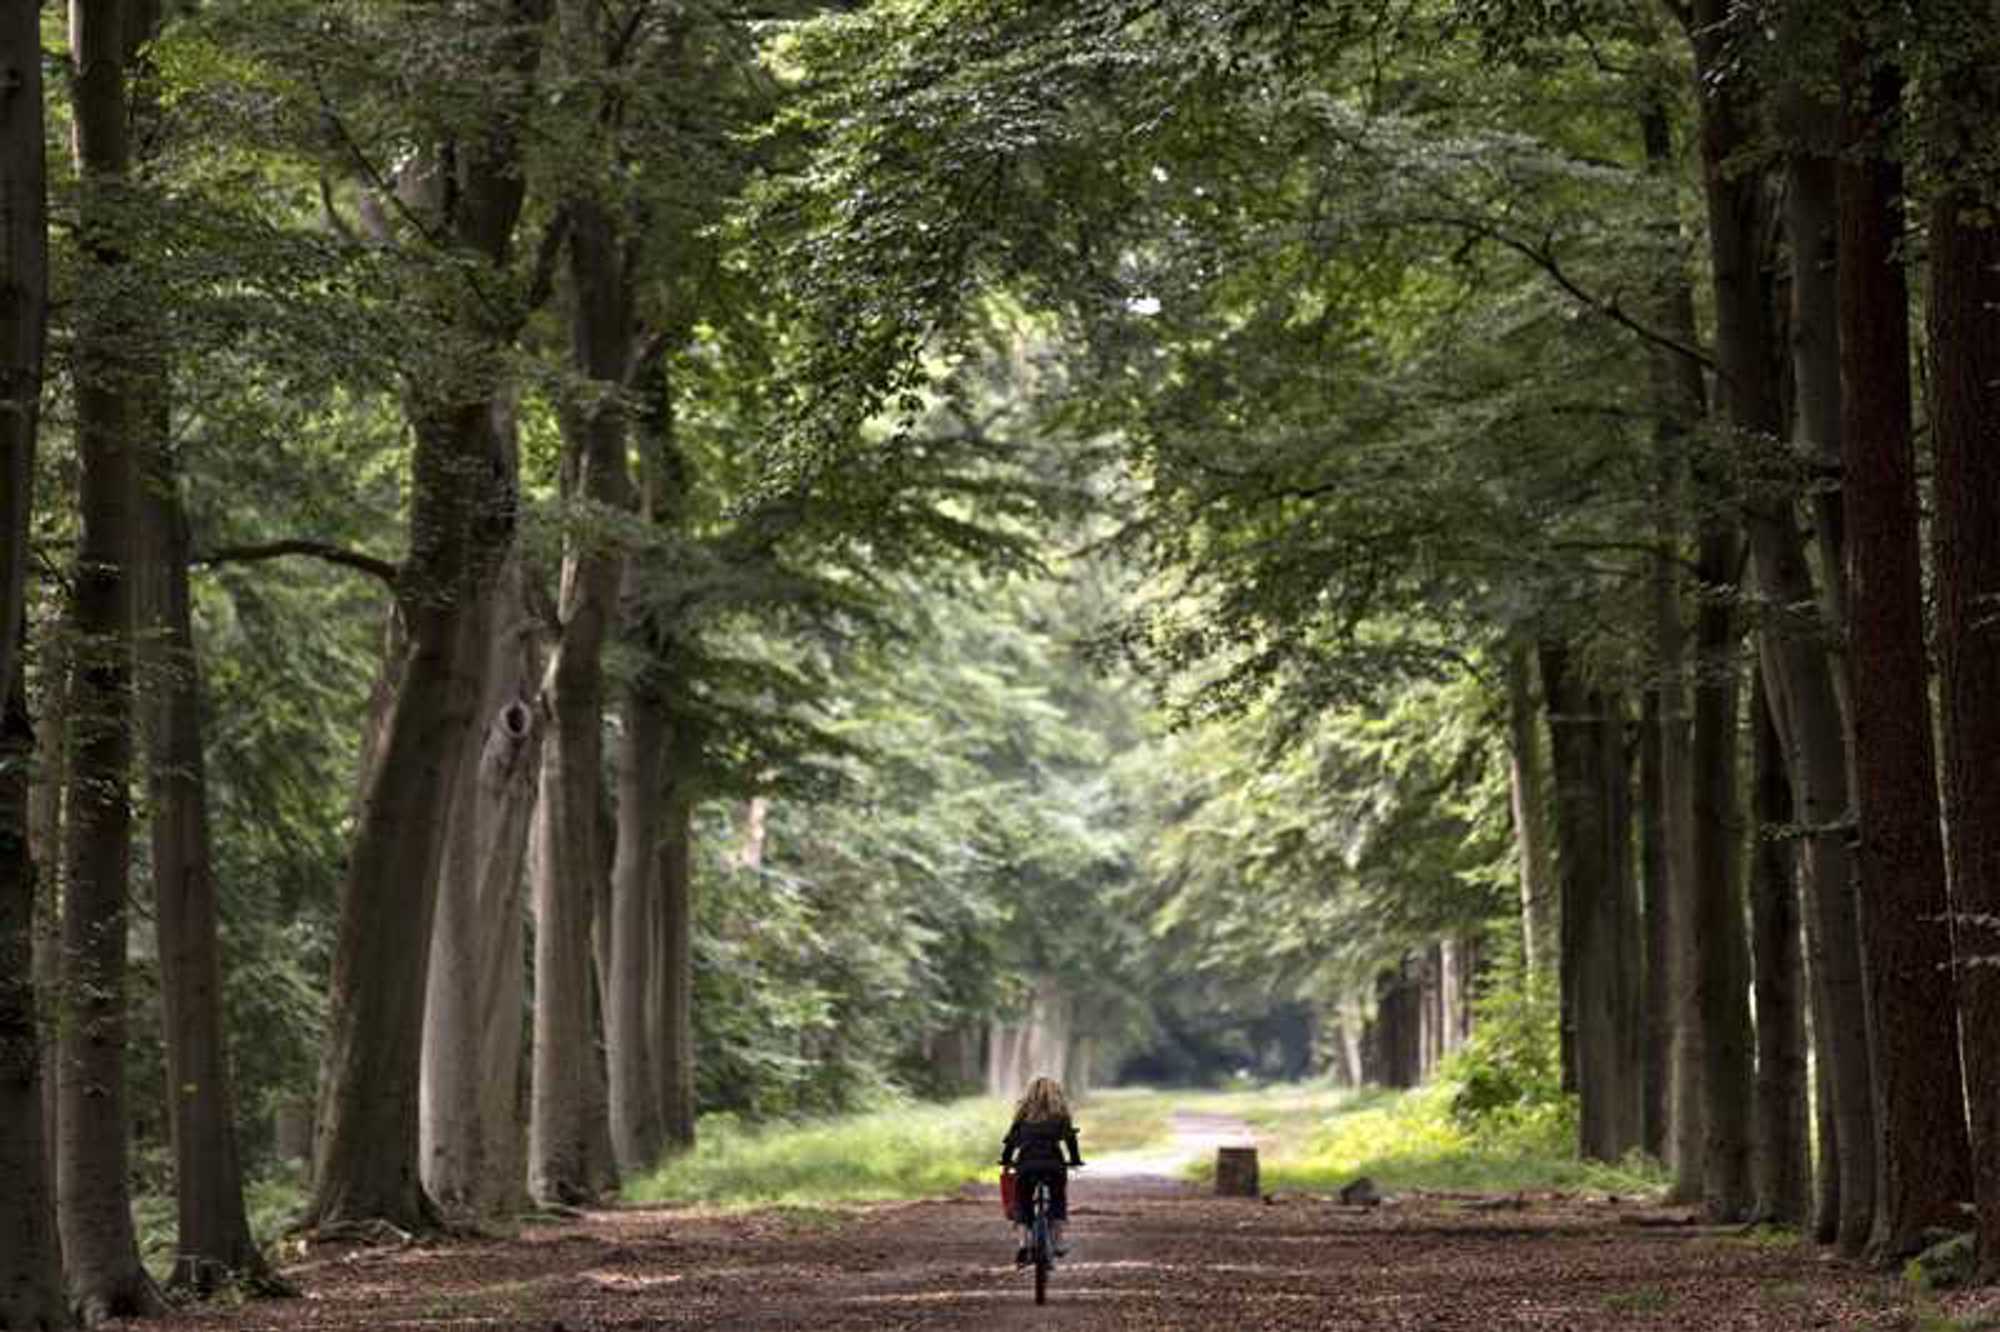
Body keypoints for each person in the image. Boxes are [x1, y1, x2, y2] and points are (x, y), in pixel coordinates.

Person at [1000, 1075, 1084, 1264]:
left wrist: (1006, 1162)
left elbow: (1011, 1142)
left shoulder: (1023, 1116)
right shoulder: (1060, 1115)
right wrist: (1075, 1160)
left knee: (1022, 1200)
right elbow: (1071, 1141)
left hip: (1026, 1165)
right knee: (1058, 1198)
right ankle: (1058, 1241)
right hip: (1053, 1165)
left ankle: (1022, 1243)